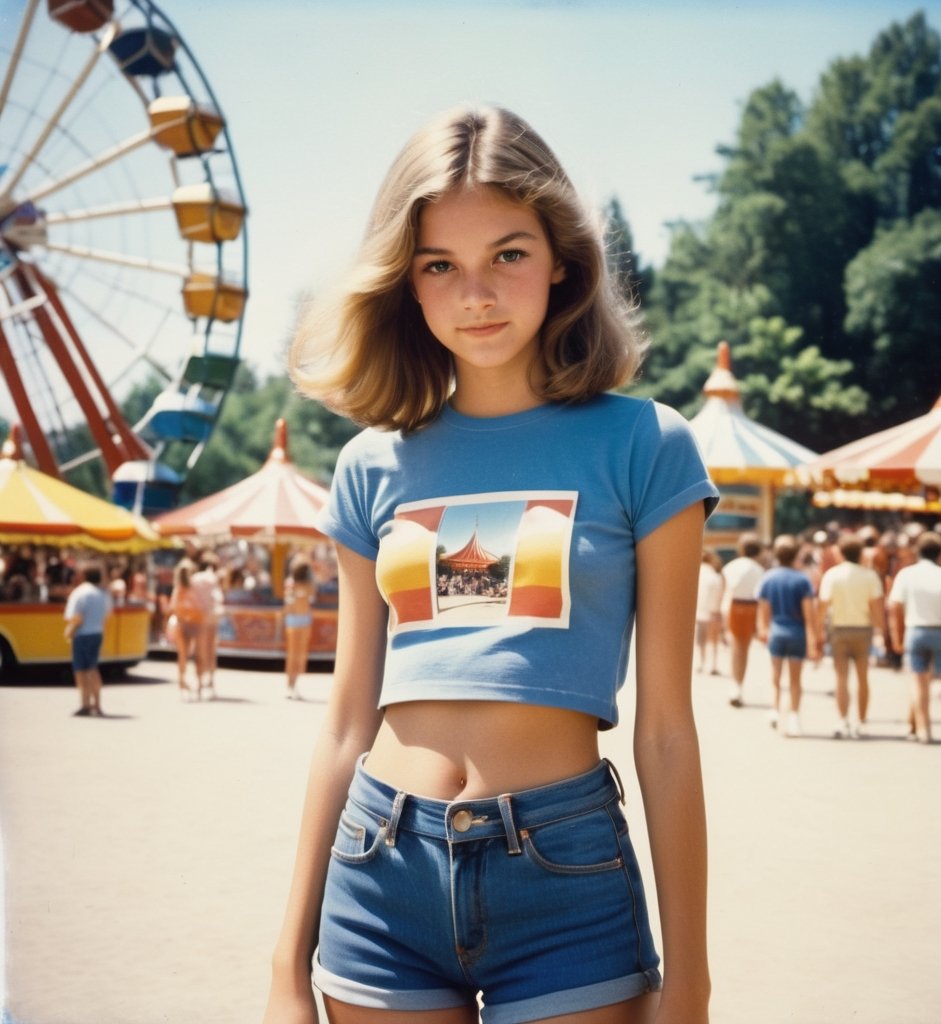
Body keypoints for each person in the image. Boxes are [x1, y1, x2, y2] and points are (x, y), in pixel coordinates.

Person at [263, 105, 718, 1024]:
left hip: (566, 880)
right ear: (408, 285)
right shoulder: (369, 465)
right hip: (378, 874)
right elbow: (347, 723)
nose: (477, 293)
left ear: (563, 262)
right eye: (441, 265)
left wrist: (693, 982)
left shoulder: (647, 446)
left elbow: (667, 731)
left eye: (508, 254)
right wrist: (284, 964)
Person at [888, 530, 941, 744]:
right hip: (939, 630)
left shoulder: (906, 575)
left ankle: (924, 729)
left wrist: (897, 635)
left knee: (918, 681)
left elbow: (895, 607)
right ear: (940, 553)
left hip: (915, 630)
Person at [817, 533, 885, 739]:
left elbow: (822, 606)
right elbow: (876, 609)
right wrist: (880, 632)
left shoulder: (832, 575)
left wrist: (818, 630)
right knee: (863, 678)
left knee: (841, 677)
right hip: (863, 629)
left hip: (838, 629)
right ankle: (861, 721)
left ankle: (842, 720)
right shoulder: (870, 575)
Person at [755, 534, 819, 737]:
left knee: (775, 677)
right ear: (796, 555)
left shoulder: (768, 577)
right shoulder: (802, 580)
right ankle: (794, 718)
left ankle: (774, 709)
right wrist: (813, 641)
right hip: (797, 633)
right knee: (795, 680)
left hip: (776, 631)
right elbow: (809, 615)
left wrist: (763, 630)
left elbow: (764, 610)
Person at [721, 533, 765, 707]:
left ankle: (735, 686)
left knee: (735, 648)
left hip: (733, 606)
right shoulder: (759, 569)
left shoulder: (731, 566)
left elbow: (724, 591)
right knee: (743, 649)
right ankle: (738, 686)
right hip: (750, 607)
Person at [63, 563, 111, 717]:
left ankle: (85, 703)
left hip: (82, 633)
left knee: (81, 670)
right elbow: (107, 614)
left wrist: (71, 630)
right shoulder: (103, 594)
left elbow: (75, 616)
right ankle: (96, 703)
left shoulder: (80, 593)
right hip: (97, 632)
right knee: (92, 668)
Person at [168, 558, 203, 700]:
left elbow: (173, 607)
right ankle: (195, 684)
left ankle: (184, 683)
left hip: (185, 623)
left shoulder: (179, 589)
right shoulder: (192, 588)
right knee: (195, 656)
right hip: (192, 623)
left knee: (183, 656)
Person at [190, 550, 223, 699]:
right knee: (210, 652)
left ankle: (198, 684)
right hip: (211, 619)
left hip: (197, 618)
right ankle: (210, 683)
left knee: (199, 652)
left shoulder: (194, 578)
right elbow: (218, 597)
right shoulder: (212, 578)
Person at [283, 555, 316, 700]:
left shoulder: (309, 584)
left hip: (302, 619)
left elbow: (310, 597)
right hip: (296, 620)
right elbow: (289, 602)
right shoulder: (291, 583)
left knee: (300, 654)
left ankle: (294, 684)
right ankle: (290, 685)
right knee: (293, 654)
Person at [694, 548, 724, 676]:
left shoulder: (695, 573)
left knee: (701, 640)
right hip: (713, 611)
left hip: (699, 611)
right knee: (713, 640)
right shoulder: (715, 575)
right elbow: (719, 594)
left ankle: (701, 663)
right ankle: (713, 664)